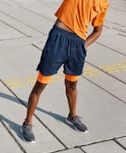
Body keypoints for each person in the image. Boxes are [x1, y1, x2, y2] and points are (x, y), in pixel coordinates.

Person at [21, 0, 109, 143]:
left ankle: (72, 116)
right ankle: (27, 123)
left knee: (72, 84)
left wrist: (83, 46)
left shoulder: (103, 4)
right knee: (41, 84)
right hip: (58, 38)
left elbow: (98, 31)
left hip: (78, 44)